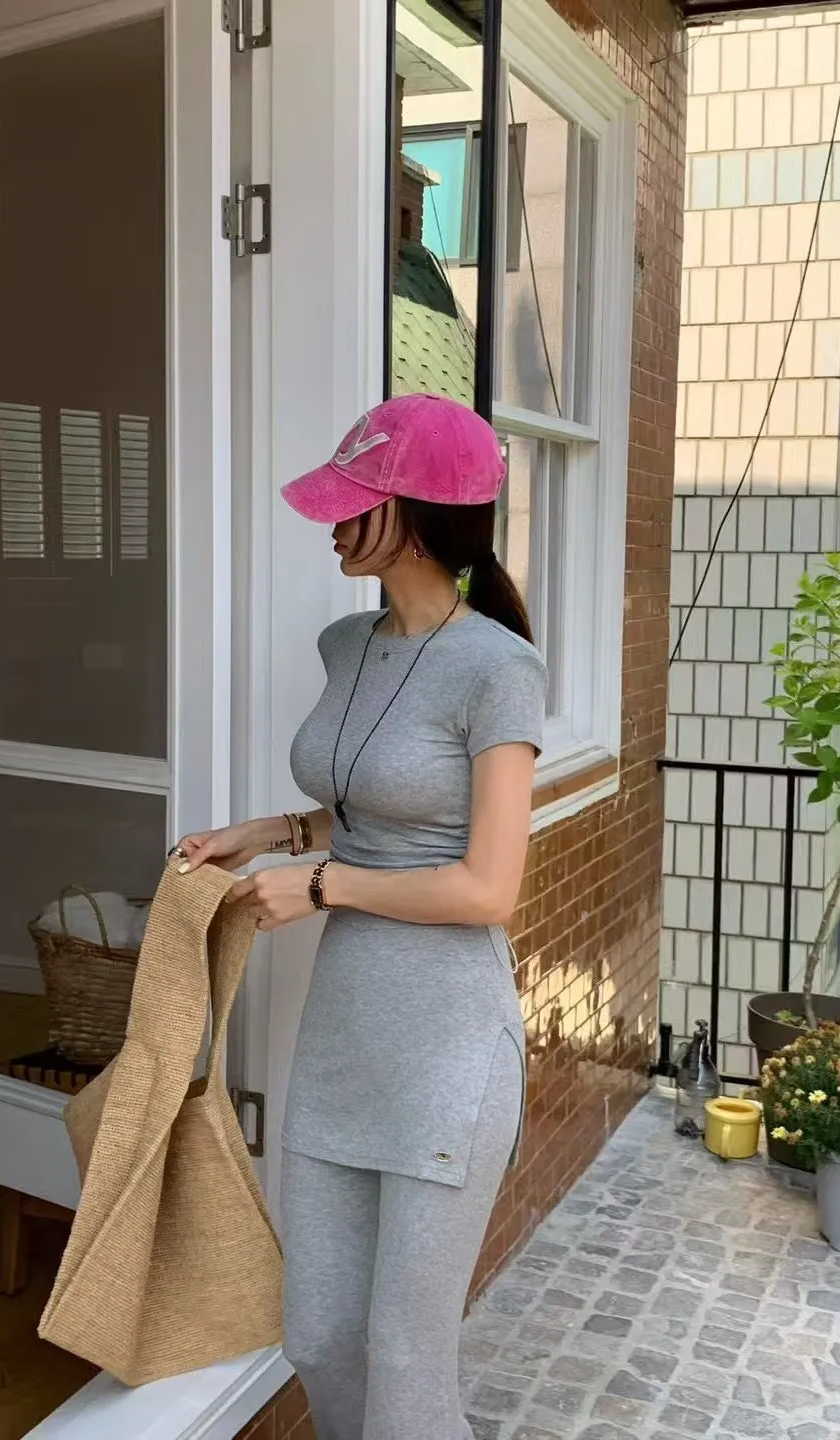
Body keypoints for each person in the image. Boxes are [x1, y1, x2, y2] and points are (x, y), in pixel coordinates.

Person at [179, 392, 546, 1439]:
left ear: (420, 518)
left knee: (405, 1358)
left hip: (447, 1046)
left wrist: (324, 886)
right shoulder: (348, 643)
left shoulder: (499, 669)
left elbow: (489, 887)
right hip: (345, 1033)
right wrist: (269, 833)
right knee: (321, 1337)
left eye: (356, 502)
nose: (333, 522)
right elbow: (372, 802)